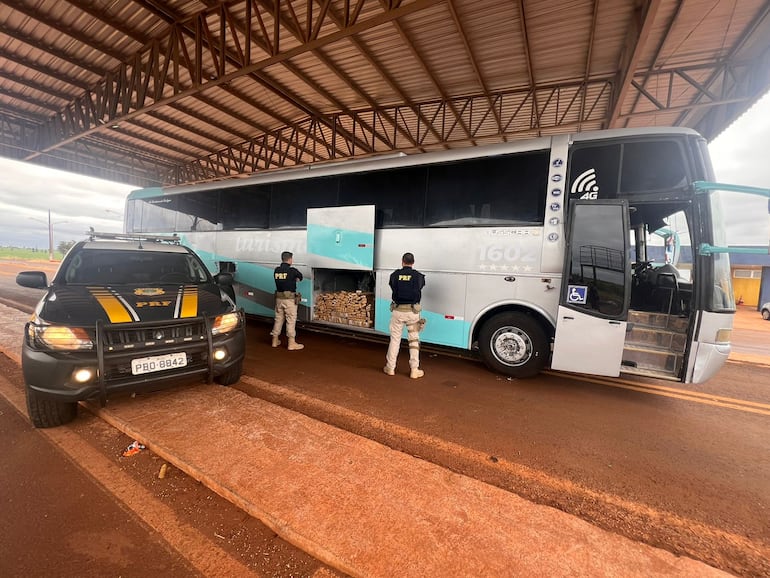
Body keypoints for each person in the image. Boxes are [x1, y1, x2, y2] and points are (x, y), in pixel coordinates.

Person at [384, 252, 426, 379]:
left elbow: (392, 285)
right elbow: (421, 286)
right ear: (413, 262)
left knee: (395, 340)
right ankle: (414, 370)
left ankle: (390, 368)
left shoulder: (394, 275)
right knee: (413, 340)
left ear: (402, 261)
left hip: (398, 311)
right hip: (413, 312)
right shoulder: (418, 276)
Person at [270, 251, 304, 350]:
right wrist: (295, 280)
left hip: (279, 299)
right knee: (291, 320)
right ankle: (291, 343)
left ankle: (275, 341)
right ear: (290, 259)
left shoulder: (276, 270)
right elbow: (300, 277)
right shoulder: (292, 271)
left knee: (278, 319)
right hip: (289, 300)